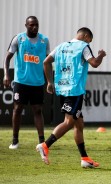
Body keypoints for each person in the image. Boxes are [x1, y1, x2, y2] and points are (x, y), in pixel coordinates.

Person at [36, 27, 106, 168]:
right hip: (74, 91)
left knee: (79, 123)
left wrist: (50, 82)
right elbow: (94, 63)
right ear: (86, 36)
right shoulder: (84, 47)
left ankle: (85, 158)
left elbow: (46, 62)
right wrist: (101, 55)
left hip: (62, 88)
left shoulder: (61, 46)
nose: (89, 43)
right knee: (69, 122)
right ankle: (45, 145)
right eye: (90, 40)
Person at [3, 16, 50, 149]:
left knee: (37, 110)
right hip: (21, 82)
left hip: (37, 82)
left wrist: (50, 81)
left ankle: (42, 142)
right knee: (17, 109)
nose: (34, 27)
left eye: (36, 25)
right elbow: (7, 58)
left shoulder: (44, 40)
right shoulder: (19, 38)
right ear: (26, 25)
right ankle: (15, 141)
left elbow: (47, 63)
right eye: (31, 25)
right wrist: (6, 74)